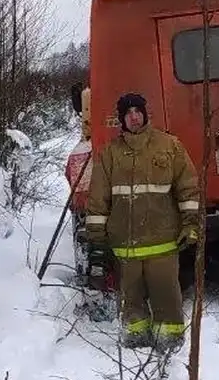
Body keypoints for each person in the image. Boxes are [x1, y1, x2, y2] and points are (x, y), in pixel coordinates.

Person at [85, 92, 201, 350]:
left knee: (168, 298)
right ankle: (135, 342)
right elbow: (98, 198)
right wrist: (96, 238)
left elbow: (189, 189)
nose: (134, 117)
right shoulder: (110, 154)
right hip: (124, 246)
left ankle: (171, 343)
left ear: (146, 114)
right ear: (121, 120)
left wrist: (191, 225)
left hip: (163, 242)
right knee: (131, 301)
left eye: (138, 111)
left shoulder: (169, 146)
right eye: (128, 113)